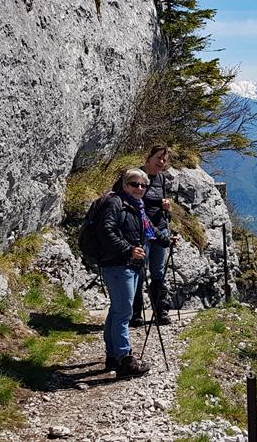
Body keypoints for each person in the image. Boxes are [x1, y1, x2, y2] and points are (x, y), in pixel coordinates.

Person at [98, 168, 170, 378]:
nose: (139, 188)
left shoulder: (136, 207)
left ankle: (113, 356)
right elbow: (106, 231)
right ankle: (124, 361)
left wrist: (166, 240)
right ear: (124, 185)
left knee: (117, 310)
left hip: (127, 265)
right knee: (124, 313)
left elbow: (149, 230)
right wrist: (128, 249)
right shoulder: (116, 204)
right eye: (134, 184)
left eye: (143, 185)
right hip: (118, 264)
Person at [129, 145, 174, 327]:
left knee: (158, 271)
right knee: (139, 270)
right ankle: (136, 313)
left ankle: (160, 311)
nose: (161, 162)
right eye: (158, 158)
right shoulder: (138, 177)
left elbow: (164, 208)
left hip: (160, 229)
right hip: (142, 230)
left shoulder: (161, 178)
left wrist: (167, 208)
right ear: (149, 157)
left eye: (164, 159)